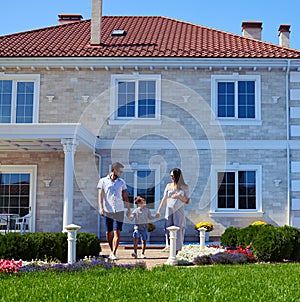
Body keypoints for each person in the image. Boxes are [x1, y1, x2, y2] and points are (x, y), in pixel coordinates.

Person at [98, 162, 130, 260]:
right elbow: (100, 195)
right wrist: (101, 208)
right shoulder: (103, 181)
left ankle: (113, 253)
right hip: (108, 210)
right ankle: (111, 250)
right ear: (114, 170)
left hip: (119, 210)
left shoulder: (121, 182)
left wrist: (128, 208)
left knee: (117, 232)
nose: (121, 173)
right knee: (108, 232)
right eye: (120, 171)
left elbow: (125, 196)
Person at [156, 168, 190, 253]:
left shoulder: (185, 186)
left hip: (179, 210)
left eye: (173, 176)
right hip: (169, 210)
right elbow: (164, 199)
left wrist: (178, 196)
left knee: (178, 228)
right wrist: (159, 210)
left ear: (177, 176)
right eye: (171, 175)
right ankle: (170, 247)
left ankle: (178, 249)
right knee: (167, 228)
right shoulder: (168, 186)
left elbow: (187, 201)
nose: (171, 177)